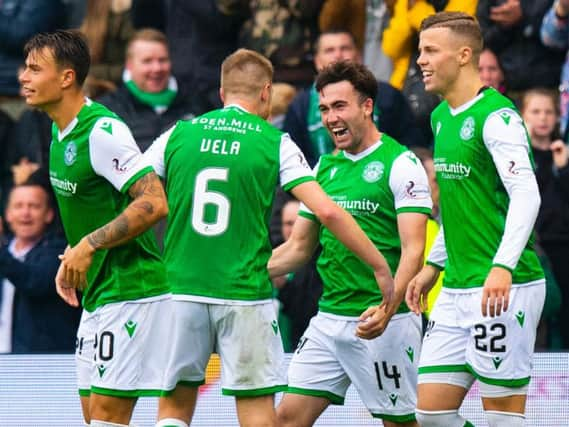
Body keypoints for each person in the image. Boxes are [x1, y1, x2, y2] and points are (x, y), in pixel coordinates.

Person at [143, 48, 395, 427]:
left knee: (174, 410)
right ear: (266, 93)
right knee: (259, 414)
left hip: (180, 288)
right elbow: (326, 211)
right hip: (245, 294)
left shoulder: (178, 133)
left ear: (222, 93)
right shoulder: (274, 142)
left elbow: (134, 195)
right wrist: (379, 266)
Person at [19, 30, 171, 426]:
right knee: (93, 417)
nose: (24, 77)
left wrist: (89, 244)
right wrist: (73, 255)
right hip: (98, 295)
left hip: (131, 290)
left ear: (66, 77)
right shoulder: (57, 131)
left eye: (35, 69)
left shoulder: (103, 132)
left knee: (107, 420)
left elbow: (154, 202)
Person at [269, 60, 431, 427]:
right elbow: (297, 249)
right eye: (324, 109)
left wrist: (387, 310)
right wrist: (239, 271)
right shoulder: (323, 169)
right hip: (329, 320)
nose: (330, 118)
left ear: (367, 106)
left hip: (385, 321)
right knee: (284, 421)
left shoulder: (401, 163)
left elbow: (414, 250)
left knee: (402, 424)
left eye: (340, 106)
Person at [406, 12, 546, 427]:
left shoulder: (497, 118)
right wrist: (434, 265)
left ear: (464, 55)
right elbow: (457, 207)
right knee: (430, 415)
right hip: (456, 287)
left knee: (502, 419)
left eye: (431, 51)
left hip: (505, 287)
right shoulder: (440, 117)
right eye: (419, 52)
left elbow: (527, 194)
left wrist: (501, 267)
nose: (421, 62)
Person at [283, 29, 426, 170]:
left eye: (344, 48)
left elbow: (412, 143)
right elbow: (293, 160)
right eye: (329, 50)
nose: (338, 55)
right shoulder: (300, 105)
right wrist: (331, 168)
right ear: (317, 61)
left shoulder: (387, 95)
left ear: (358, 55)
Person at [0, 183, 80, 353]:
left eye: (34, 206)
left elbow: (34, 281)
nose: (25, 213)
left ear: (49, 214)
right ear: (7, 214)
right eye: (18, 206)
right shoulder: (5, 252)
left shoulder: (60, 252)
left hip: (43, 364)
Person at [519, 88, 569, 348]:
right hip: (532, 246)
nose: (543, 118)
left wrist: (564, 169)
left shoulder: (564, 154)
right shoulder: (518, 155)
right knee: (535, 317)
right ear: (524, 116)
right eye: (535, 112)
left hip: (563, 244)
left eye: (549, 111)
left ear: (558, 116)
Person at [98, 28, 195, 152]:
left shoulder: (195, 102)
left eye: (162, 60)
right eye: (147, 61)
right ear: (129, 65)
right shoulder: (107, 111)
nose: (157, 68)